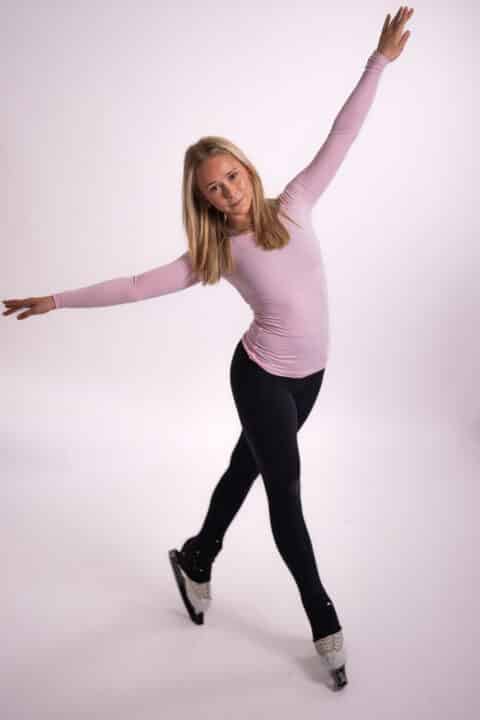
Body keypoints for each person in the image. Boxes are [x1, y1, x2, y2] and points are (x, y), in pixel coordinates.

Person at [2, 7, 414, 691]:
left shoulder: (296, 202)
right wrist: (55, 299)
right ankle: (323, 619)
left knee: (245, 466)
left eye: (231, 177)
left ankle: (197, 557)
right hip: (261, 377)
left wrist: (379, 63)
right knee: (284, 490)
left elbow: (341, 135)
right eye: (212, 190)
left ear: (247, 170)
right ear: (205, 200)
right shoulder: (214, 251)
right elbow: (136, 286)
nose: (226, 192)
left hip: (310, 378)